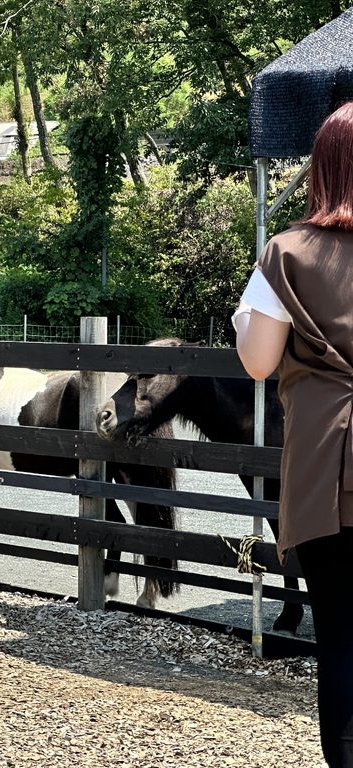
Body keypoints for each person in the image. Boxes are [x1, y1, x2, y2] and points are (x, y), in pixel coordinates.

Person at [234, 101, 353, 768]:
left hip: (327, 466)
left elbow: (256, 360)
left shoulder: (288, 252)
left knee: (341, 637)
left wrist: (240, 317)